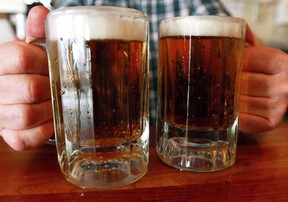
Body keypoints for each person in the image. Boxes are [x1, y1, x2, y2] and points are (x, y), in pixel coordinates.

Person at [0, 0, 287, 151]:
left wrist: (264, 85)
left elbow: (248, 62)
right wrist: (19, 92)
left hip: (161, 160)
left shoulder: (198, 5)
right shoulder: (69, 10)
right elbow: (32, 74)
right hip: (82, 156)